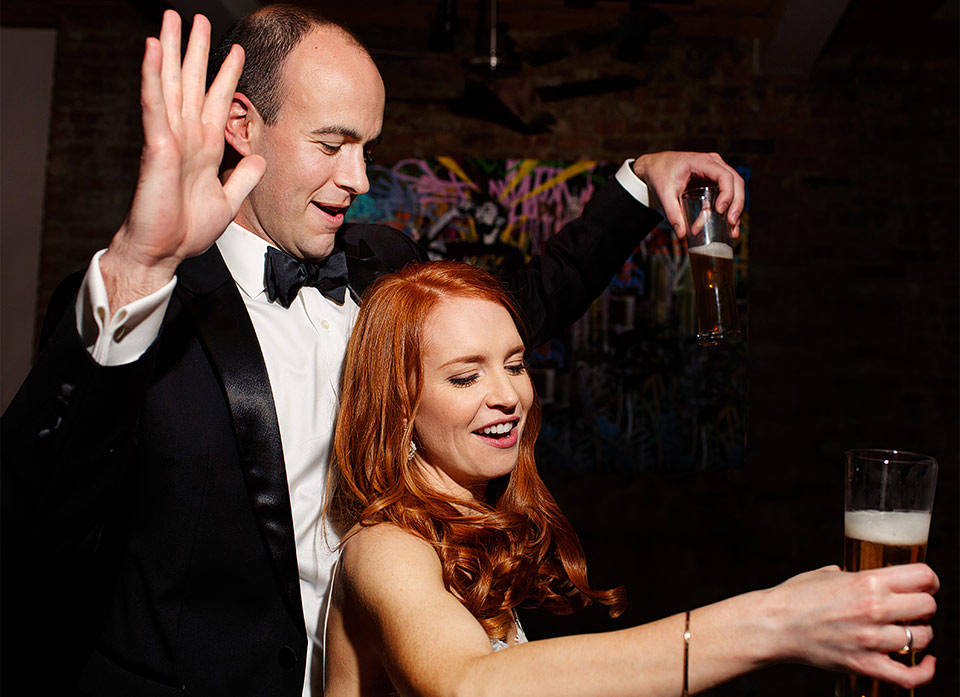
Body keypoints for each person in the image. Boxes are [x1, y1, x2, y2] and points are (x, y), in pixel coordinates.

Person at [0, 5, 745, 696]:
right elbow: (35, 510)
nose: (357, 179)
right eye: (332, 145)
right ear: (242, 125)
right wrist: (140, 267)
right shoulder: (138, 304)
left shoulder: (383, 262)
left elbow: (520, 307)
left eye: (367, 147)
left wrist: (638, 184)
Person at [324, 260, 939, 697]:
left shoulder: (463, 528)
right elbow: (467, 686)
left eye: (514, 365)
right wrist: (775, 622)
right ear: (398, 407)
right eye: (466, 376)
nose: (508, 396)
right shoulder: (384, 546)